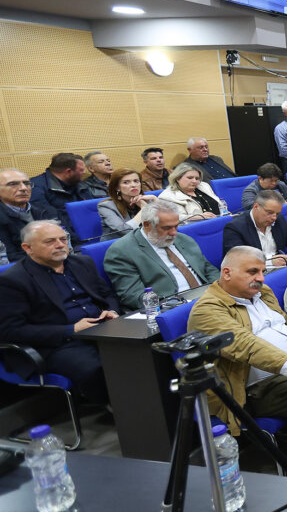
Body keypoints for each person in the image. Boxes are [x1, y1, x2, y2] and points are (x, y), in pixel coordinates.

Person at [188, 246, 287, 471]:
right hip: (254, 387)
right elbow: (245, 345)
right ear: (227, 273)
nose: (261, 278)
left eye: (263, 271)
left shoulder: (261, 292)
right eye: (252, 272)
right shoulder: (207, 310)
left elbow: (282, 326)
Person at [0, 220, 116, 403]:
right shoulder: (12, 280)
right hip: (58, 344)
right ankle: (118, 406)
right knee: (100, 366)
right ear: (27, 248)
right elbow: (10, 331)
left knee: (141, 350)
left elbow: (107, 294)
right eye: (50, 241)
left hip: (101, 329)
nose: (60, 244)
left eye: (63, 239)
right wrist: (71, 330)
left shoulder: (82, 262)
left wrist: (111, 311)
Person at [104, 200, 219, 309]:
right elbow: (132, 296)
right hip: (172, 307)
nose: (174, 232)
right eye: (166, 228)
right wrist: (174, 304)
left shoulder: (183, 239)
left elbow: (208, 269)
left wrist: (220, 289)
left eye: (176, 226)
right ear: (147, 225)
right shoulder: (122, 251)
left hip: (209, 298)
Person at [222, 189, 287, 266]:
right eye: (270, 213)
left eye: (277, 213)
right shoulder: (235, 227)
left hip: (279, 268)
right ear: (256, 207)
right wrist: (269, 262)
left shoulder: (279, 219)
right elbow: (237, 260)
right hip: (252, 273)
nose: (274, 217)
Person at [0, 169, 59, 257]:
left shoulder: (46, 209)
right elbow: (10, 257)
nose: (23, 188)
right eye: (13, 184)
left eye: (26, 183)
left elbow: (67, 240)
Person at [30, 153, 89, 227]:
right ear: (68, 172)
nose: (84, 173)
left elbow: (90, 209)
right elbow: (50, 220)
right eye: (81, 170)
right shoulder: (35, 188)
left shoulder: (79, 184)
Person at [97, 168, 156, 239]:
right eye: (126, 182)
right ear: (117, 188)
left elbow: (166, 225)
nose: (133, 185)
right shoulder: (106, 206)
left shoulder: (147, 201)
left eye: (136, 181)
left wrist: (156, 200)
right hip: (118, 243)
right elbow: (125, 231)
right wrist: (144, 210)